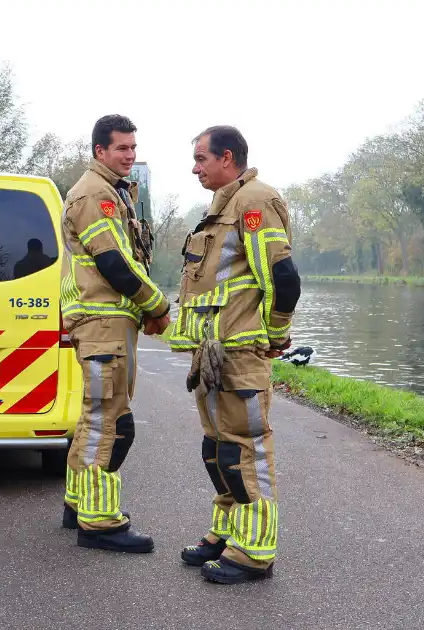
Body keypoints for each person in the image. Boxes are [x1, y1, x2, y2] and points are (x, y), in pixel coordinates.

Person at [165, 125, 301, 584]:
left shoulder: (256, 201)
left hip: (241, 352)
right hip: (211, 354)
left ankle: (254, 552)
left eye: (201, 158)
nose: (194, 167)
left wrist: (276, 333)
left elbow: (282, 276)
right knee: (218, 450)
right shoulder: (221, 205)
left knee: (247, 451)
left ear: (227, 158)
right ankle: (226, 532)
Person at [59, 114, 172, 553]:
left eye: (133, 148)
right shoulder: (94, 194)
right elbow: (114, 263)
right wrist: (157, 306)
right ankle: (99, 522)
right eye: (122, 148)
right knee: (111, 422)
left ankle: (77, 504)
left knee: (96, 417)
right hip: (103, 321)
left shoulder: (111, 191)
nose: (130, 155)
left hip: (109, 321)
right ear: (99, 151)